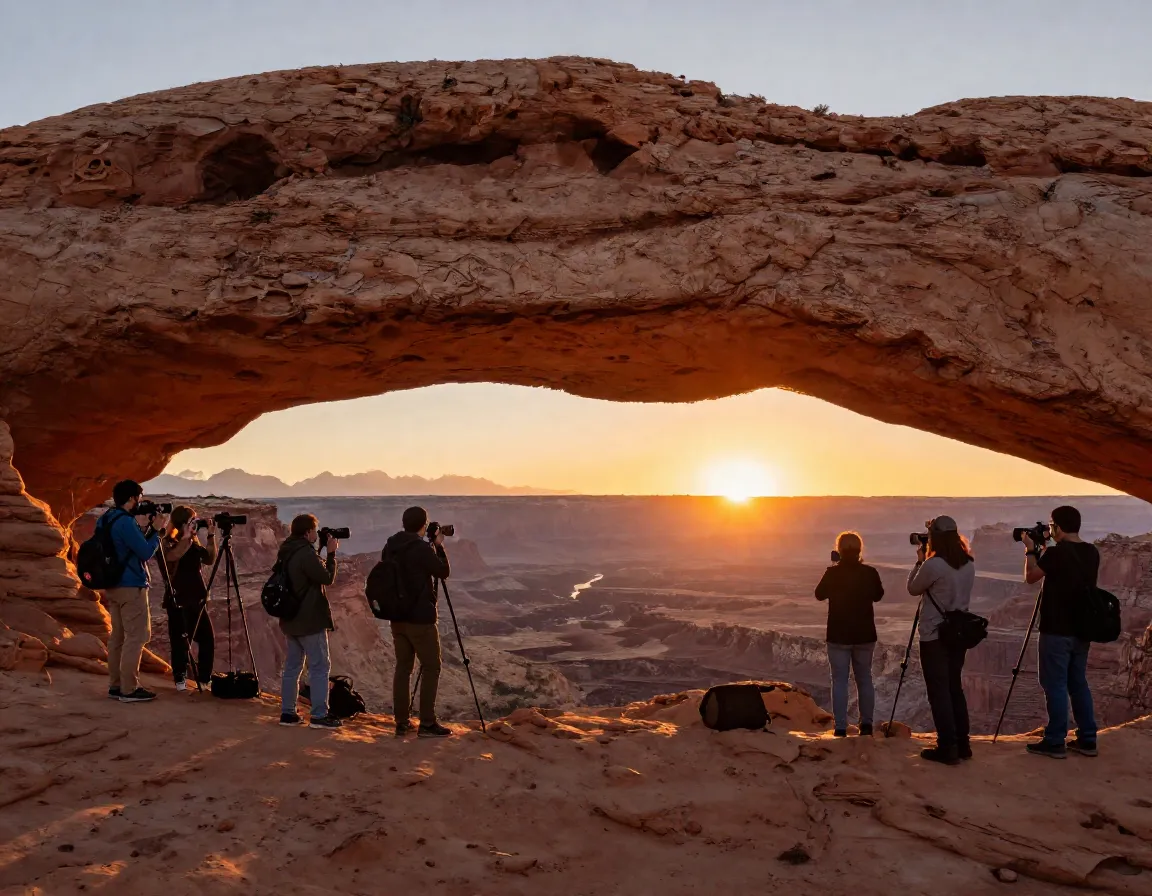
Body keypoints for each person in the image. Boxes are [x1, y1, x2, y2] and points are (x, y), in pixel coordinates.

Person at [1022, 505, 1099, 759]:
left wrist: (1031, 550)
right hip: (1082, 629)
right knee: (1078, 683)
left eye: (1051, 525)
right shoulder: (1091, 552)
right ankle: (1088, 739)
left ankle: (1055, 740)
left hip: (1056, 630)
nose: (1050, 529)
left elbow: (1031, 576)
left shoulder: (1056, 554)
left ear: (1059, 526)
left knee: (1054, 684)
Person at [907, 515, 976, 765]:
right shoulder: (968, 563)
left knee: (939, 692)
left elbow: (913, 588)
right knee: (954, 687)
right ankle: (963, 744)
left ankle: (947, 747)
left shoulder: (933, 565)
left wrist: (919, 561)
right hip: (957, 634)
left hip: (934, 636)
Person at [383, 506, 452, 738]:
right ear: (423, 525)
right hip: (420, 618)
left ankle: (402, 722)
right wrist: (439, 546)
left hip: (397, 617)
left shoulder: (390, 546)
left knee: (403, 668)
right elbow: (442, 572)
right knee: (432, 666)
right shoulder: (421, 549)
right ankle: (427, 724)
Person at [101, 480, 169, 703]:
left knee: (118, 638)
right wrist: (157, 531)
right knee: (137, 637)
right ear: (131, 498)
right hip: (130, 585)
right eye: (139, 497)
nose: (139, 501)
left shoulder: (106, 519)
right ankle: (129, 689)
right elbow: (145, 552)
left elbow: (125, 546)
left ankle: (116, 686)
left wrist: (143, 530)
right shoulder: (125, 522)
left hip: (112, 584)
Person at [815, 531, 884, 738]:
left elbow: (819, 594)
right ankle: (867, 725)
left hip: (838, 635)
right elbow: (878, 596)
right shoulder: (870, 572)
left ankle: (841, 727)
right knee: (864, 679)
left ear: (839, 550)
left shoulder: (833, 573)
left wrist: (835, 570)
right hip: (864, 634)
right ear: (860, 550)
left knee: (839, 680)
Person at [277, 514, 342, 729]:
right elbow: (326, 578)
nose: (317, 533)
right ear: (307, 532)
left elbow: (308, 571)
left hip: (290, 618)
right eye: (315, 530)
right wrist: (331, 554)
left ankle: (288, 713)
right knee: (319, 667)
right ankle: (319, 715)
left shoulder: (287, 549)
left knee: (293, 667)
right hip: (309, 621)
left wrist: (320, 549)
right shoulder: (305, 553)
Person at [160, 506, 217, 691]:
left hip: (197, 597)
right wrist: (186, 537)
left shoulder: (192, 541)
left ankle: (205, 678)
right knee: (180, 641)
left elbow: (208, 559)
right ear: (183, 523)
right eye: (193, 520)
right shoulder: (167, 542)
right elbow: (173, 556)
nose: (195, 523)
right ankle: (180, 679)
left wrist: (210, 536)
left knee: (207, 639)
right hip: (178, 598)